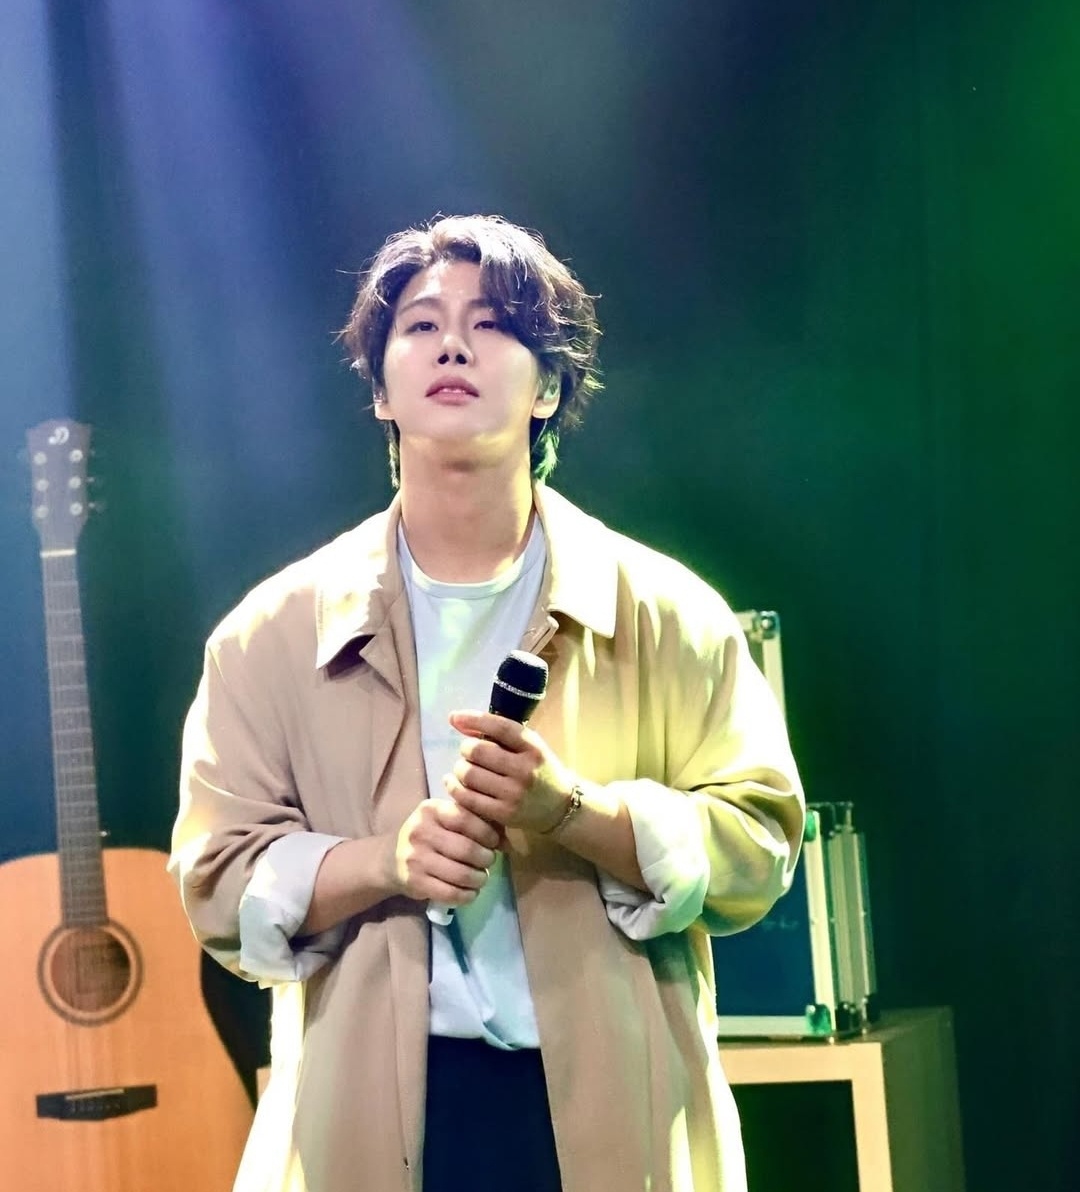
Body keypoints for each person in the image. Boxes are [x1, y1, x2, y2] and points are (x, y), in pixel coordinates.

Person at [170, 214, 805, 1192]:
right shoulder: (272, 635)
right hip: (371, 1120)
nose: (453, 344)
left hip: (612, 1108)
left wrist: (573, 813)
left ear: (548, 387)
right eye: (421, 325)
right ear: (380, 391)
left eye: (493, 323)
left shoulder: (668, 614)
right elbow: (215, 879)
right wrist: (384, 862)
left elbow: (760, 840)